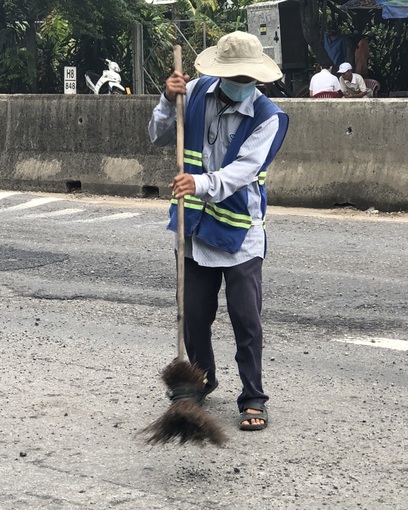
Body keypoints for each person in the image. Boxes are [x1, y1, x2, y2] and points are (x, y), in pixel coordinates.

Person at [148, 31, 289, 431]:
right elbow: (157, 135)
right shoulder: (192, 91)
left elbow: (244, 170)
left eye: (249, 80)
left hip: (239, 230)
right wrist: (166, 98)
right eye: (235, 77)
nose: (242, 85)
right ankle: (200, 382)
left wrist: (201, 184)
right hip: (193, 226)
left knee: (246, 320)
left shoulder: (269, 117)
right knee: (194, 314)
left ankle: (253, 397)